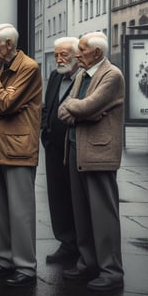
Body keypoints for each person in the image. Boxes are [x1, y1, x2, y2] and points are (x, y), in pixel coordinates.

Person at [57, 31, 125, 292]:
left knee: (103, 214)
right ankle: (88, 262)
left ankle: (111, 270)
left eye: (82, 50)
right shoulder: (83, 75)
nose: (77, 54)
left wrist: (81, 110)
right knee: (82, 213)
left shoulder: (112, 75)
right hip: (77, 150)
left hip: (99, 153)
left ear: (97, 53)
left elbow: (86, 106)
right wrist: (82, 111)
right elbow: (68, 109)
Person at [0, 23, 41, 287]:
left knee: (20, 212)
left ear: (9, 44)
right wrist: (0, 98)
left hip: (18, 149)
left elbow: (5, 103)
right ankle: (5, 260)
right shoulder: (4, 67)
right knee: (1, 210)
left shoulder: (28, 67)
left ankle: (25, 267)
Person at [41, 37, 81, 266]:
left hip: (73, 147)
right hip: (53, 148)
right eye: (57, 55)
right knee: (57, 197)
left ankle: (80, 245)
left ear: (76, 55)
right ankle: (66, 243)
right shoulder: (56, 76)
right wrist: (44, 131)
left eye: (64, 54)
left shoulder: (84, 78)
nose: (59, 59)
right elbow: (46, 107)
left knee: (75, 198)